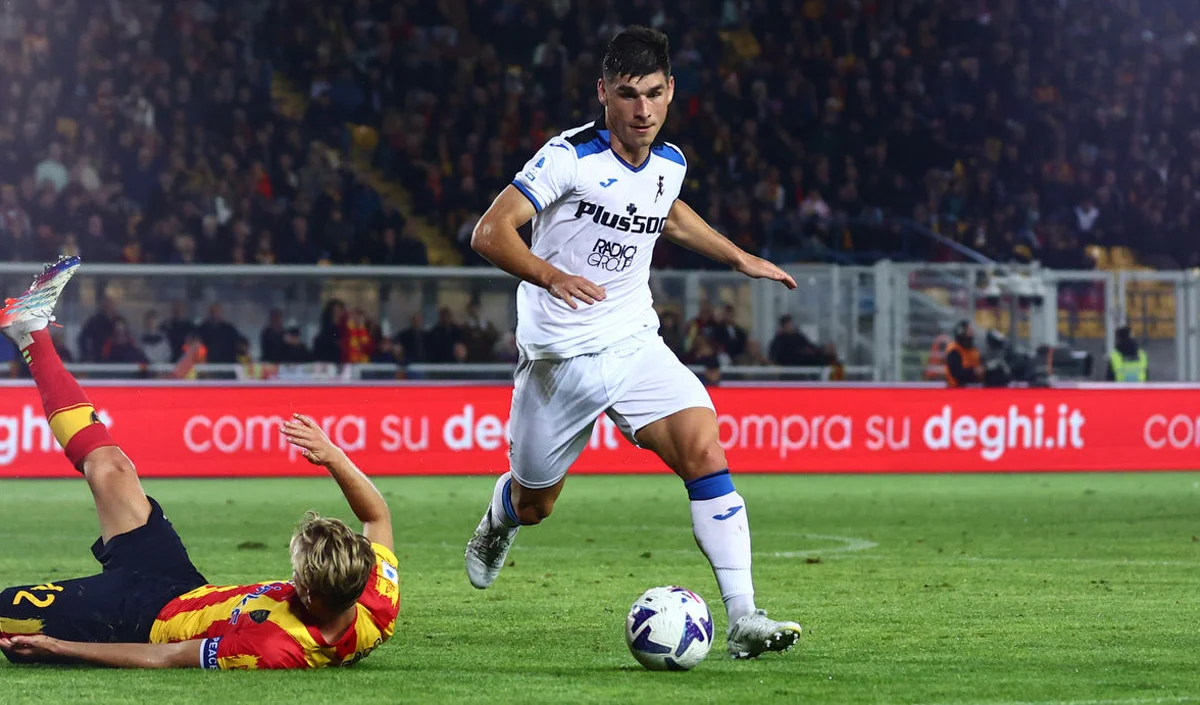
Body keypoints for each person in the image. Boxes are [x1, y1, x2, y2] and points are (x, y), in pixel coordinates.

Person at [464, 26, 802, 660]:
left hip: (633, 341)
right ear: (603, 93)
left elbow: (667, 211)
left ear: (671, 91)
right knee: (536, 504)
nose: (642, 110)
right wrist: (551, 275)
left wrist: (738, 257)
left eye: (652, 94)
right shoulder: (569, 158)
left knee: (704, 449)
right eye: (627, 94)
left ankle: (744, 616)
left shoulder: (670, 163)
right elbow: (490, 231)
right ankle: (500, 517)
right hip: (559, 359)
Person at [0, 257, 400, 669]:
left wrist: (60, 648)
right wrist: (333, 456)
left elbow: (167, 655)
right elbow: (377, 516)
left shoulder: (274, 647)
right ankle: (30, 331)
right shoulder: (376, 601)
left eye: (297, 576)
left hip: (139, 619)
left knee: (9, 610)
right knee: (111, 468)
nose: (291, 579)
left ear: (313, 596)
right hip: (179, 585)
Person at [944, 320, 984, 387]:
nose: (972, 334)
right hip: (956, 387)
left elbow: (980, 366)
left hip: (974, 386)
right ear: (962, 333)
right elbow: (956, 373)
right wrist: (974, 372)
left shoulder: (974, 350)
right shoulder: (954, 350)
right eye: (969, 331)